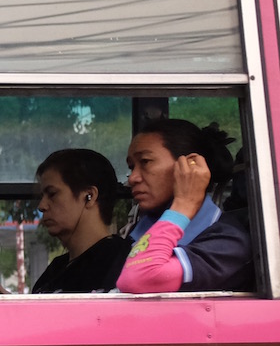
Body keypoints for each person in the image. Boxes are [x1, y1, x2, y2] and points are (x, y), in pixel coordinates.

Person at [117, 118, 253, 293]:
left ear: (190, 166)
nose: (132, 178)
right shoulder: (137, 232)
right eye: (131, 167)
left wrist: (185, 203)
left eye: (145, 162)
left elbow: (138, 279)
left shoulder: (228, 243)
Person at [25, 149, 131, 293]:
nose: (42, 206)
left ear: (89, 196)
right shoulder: (55, 269)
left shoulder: (121, 262)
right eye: (42, 196)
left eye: (52, 194)